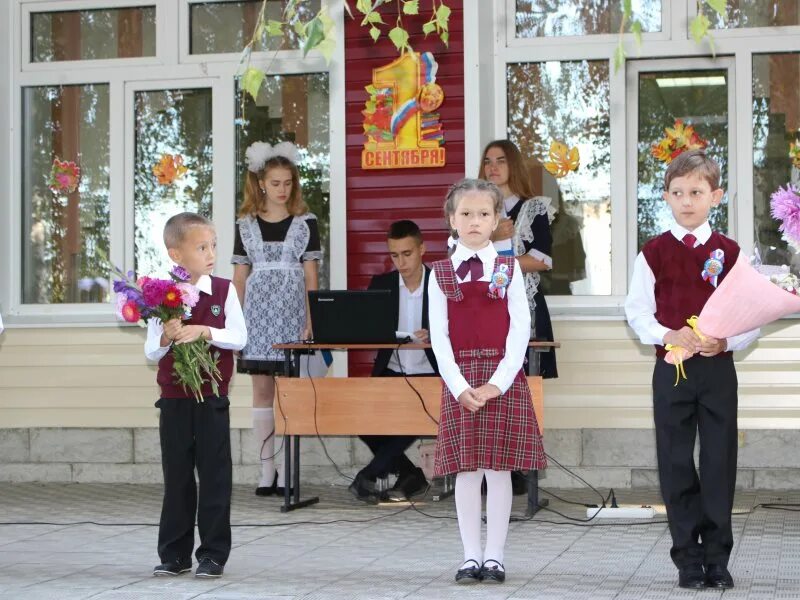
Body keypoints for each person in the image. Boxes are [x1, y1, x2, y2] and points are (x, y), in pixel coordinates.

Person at [625, 150, 760, 591]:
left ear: (715, 196)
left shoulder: (732, 253)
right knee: (676, 461)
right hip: (672, 371)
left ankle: (718, 558)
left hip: (717, 371)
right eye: (678, 193)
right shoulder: (652, 253)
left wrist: (727, 341)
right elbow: (637, 312)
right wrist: (669, 335)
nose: (687, 201)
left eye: (697, 192)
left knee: (719, 461)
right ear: (666, 197)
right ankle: (688, 557)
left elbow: (750, 315)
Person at [429, 178, 546, 584]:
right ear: (451, 220)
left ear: (497, 220)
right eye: (466, 214)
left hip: (502, 378)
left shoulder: (509, 268)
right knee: (466, 469)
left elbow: (520, 329)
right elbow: (438, 336)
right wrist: (459, 386)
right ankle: (469, 555)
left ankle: (494, 556)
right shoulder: (440, 273)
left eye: (483, 214)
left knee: (498, 471)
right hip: (460, 379)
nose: (474, 221)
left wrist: (498, 382)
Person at [144, 212, 247, 579]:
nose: (211, 253)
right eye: (201, 246)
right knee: (177, 477)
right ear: (176, 254)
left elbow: (239, 337)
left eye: (213, 245)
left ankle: (213, 554)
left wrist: (206, 331)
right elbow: (151, 353)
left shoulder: (223, 290)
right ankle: (174, 554)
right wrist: (166, 335)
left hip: (211, 397)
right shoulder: (161, 296)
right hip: (174, 400)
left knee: (215, 475)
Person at [232, 141, 322, 497]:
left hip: (292, 313)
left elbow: (312, 276)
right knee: (262, 390)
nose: (282, 190)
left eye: (288, 183)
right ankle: (266, 467)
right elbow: (239, 279)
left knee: (288, 391)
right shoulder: (246, 225)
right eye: (275, 183)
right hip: (257, 314)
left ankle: (287, 468)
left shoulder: (305, 223)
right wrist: (235, 322)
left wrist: (312, 317)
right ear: (261, 184)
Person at [349, 220, 440, 504]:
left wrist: (436, 335)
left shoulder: (441, 283)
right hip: (393, 371)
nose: (401, 262)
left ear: (422, 249)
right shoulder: (382, 284)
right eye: (394, 255)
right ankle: (410, 475)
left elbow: (461, 327)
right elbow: (366, 329)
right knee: (364, 423)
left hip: (431, 373)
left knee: (416, 415)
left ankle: (370, 474)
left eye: (407, 253)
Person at [479, 139, 558, 379]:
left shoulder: (534, 208)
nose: (493, 167)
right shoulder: (474, 209)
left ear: (514, 166)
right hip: (483, 304)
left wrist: (495, 263)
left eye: (501, 161)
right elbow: (460, 255)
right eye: (487, 162)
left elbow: (540, 260)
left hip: (524, 304)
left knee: (526, 381)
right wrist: (492, 238)